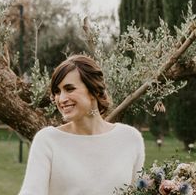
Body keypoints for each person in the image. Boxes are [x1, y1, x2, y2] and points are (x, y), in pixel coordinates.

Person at [19, 54, 145, 195]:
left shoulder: (130, 138)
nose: (61, 99)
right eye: (57, 92)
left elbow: (139, 191)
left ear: (94, 90)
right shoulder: (47, 141)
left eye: (69, 89)